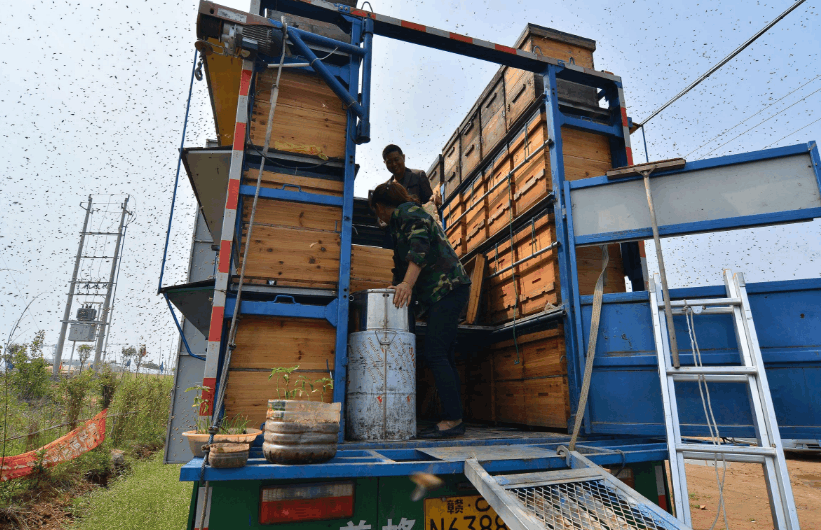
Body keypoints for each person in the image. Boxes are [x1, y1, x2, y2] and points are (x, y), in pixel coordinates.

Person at [369, 180, 471, 439]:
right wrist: (398, 285)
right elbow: (401, 266)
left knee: (436, 353)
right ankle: (454, 416)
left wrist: (406, 285)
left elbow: (420, 247)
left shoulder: (407, 212)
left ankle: (453, 419)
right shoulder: (398, 225)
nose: (377, 216)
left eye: (376, 211)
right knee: (443, 355)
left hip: (447, 289)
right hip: (446, 291)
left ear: (380, 206)